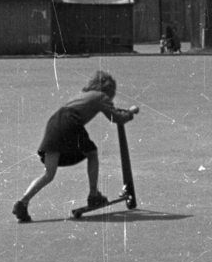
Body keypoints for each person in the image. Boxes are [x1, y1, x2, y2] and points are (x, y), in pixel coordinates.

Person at [13, 70, 139, 222]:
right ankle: (93, 195)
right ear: (108, 88)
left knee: (49, 173)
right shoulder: (101, 96)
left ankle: (23, 202)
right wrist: (130, 113)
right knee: (92, 153)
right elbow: (116, 117)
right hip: (70, 120)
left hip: (54, 122)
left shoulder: (83, 94)